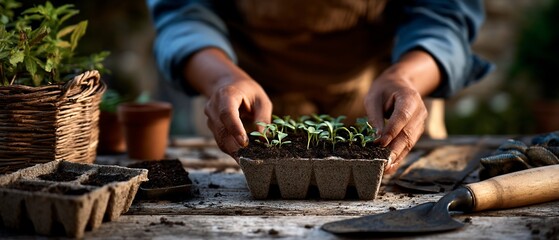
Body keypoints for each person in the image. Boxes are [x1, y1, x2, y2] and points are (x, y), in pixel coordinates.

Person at [146, 0, 492, 173]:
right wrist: (221, 78)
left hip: (382, 97)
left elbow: (446, 15)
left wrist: (406, 77)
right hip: (242, 100)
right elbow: (181, 12)